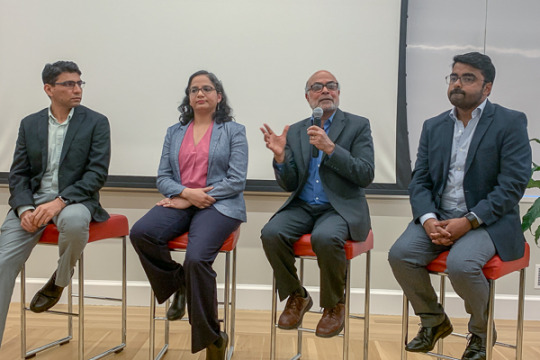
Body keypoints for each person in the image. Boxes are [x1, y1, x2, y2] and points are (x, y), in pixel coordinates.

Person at [388, 52, 531, 360]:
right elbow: (420, 181)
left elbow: (512, 186)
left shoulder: (510, 122)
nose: (458, 84)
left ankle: (480, 332)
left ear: (487, 87)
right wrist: (428, 220)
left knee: (461, 265)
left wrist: (468, 221)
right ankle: (434, 320)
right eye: (454, 77)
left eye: (468, 78)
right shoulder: (434, 126)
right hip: (439, 218)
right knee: (400, 255)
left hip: (487, 222)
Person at [130, 70, 247, 360]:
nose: (200, 94)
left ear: (219, 96)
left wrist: (197, 197)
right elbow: (163, 177)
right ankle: (178, 283)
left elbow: (236, 180)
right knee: (141, 233)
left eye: (207, 88)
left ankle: (213, 339)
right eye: (194, 90)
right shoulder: (175, 132)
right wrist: (185, 194)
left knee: (196, 259)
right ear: (188, 98)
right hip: (184, 200)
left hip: (220, 205)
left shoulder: (234, 131)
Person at [0, 61, 111, 346]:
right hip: (33, 202)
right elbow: (19, 173)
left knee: (74, 222)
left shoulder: (96, 122)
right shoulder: (30, 123)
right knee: (1, 263)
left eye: (79, 83)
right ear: (49, 89)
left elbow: (96, 174)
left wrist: (59, 202)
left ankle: (59, 281)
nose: (77, 89)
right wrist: (24, 209)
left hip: (75, 199)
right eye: (69, 84)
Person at [260, 70, 374, 338]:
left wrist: (331, 148)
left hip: (339, 207)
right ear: (308, 96)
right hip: (303, 205)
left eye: (331, 86)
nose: (325, 90)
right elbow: (289, 184)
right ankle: (297, 296)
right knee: (271, 233)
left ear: (338, 92)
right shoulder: (298, 129)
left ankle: (334, 305)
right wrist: (279, 158)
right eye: (318, 87)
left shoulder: (358, 125)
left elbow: (365, 173)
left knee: (325, 237)